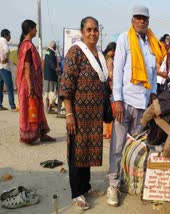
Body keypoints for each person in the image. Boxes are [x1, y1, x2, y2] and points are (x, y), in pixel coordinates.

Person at [107, 5, 165, 207]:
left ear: (148, 22)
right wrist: (118, 100)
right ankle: (113, 185)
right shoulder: (125, 39)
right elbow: (118, 72)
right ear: (132, 20)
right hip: (126, 102)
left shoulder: (151, 44)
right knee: (117, 145)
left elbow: (152, 74)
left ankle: (124, 180)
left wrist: (154, 93)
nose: (141, 21)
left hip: (143, 105)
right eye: (138, 18)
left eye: (144, 19)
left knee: (135, 147)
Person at [59, 17, 108, 210]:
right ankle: (76, 193)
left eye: (95, 30)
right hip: (78, 114)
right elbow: (66, 85)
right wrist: (69, 114)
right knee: (76, 154)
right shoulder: (76, 52)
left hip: (93, 116)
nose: (92, 33)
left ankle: (86, 187)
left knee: (86, 153)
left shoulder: (99, 54)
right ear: (82, 31)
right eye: (89, 30)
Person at [16, 19, 55, 144]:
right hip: (29, 84)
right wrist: (30, 86)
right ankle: (29, 135)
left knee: (37, 107)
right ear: (30, 30)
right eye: (34, 28)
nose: (36, 30)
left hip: (32, 83)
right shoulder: (27, 46)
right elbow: (27, 67)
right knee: (30, 108)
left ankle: (42, 133)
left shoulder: (27, 44)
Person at [0, 29, 17, 111]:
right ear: (5, 35)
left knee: (0, 86)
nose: (10, 37)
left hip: (0, 67)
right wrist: (5, 58)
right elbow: (6, 50)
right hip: (5, 67)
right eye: (9, 35)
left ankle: (0, 104)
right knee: (9, 87)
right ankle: (12, 106)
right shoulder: (4, 42)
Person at [103, 41, 116, 139]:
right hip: (108, 86)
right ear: (112, 50)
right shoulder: (110, 60)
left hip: (100, 86)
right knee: (109, 109)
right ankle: (108, 132)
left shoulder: (102, 56)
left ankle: (103, 131)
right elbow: (111, 75)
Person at [43, 41, 60, 113]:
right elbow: (51, 62)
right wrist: (56, 69)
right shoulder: (52, 53)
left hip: (46, 75)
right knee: (52, 92)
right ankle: (49, 107)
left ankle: (47, 107)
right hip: (52, 76)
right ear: (54, 46)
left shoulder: (47, 52)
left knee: (46, 92)